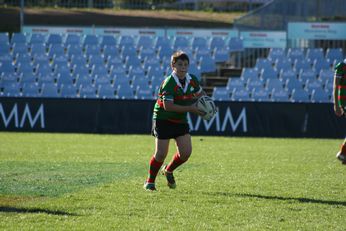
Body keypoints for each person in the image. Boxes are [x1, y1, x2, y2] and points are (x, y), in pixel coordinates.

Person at [143, 51, 205, 191]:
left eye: (186, 64)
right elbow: (168, 106)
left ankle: (168, 170)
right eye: (180, 64)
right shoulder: (169, 82)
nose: (183, 67)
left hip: (180, 119)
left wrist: (207, 105)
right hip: (163, 118)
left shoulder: (192, 79)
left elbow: (201, 94)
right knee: (161, 154)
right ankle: (150, 182)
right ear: (173, 65)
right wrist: (192, 108)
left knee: (186, 153)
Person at [333, 58, 346, 165]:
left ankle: (343, 154)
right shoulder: (342, 66)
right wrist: (336, 104)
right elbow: (336, 86)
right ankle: (343, 153)